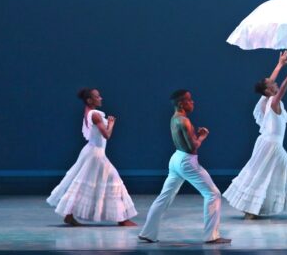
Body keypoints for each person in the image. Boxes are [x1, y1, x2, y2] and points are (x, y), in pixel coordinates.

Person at [224, 52, 287, 219]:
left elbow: (270, 82)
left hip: (266, 143)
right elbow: (282, 90)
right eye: (272, 83)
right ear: (267, 90)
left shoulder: (263, 100)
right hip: (272, 145)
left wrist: (279, 65)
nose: (275, 82)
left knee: (261, 175)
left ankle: (251, 209)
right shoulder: (272, 101)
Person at [139, 90, 231, 244]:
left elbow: (185, 143)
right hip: (186, 161)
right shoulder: (184, 121)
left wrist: (196, 136)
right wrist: (202, 136)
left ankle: (148, 233)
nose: (193, 102)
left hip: (176, 159)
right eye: (189, 100)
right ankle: (212, 236)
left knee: (164, 197)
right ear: (181, 103)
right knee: (213, 194)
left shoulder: (174, 119)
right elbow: (192, 147)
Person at [47, 88, 137, 226]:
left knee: (83, 183)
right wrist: (112, 123)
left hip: (91, 151)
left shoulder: (88, 111)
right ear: (89, 100)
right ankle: (122, 219)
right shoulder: (95, 115)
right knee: (114, 180)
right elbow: (106, 135)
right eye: (97, 96)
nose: (100, 98)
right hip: (96, 154)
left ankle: (69, 215)